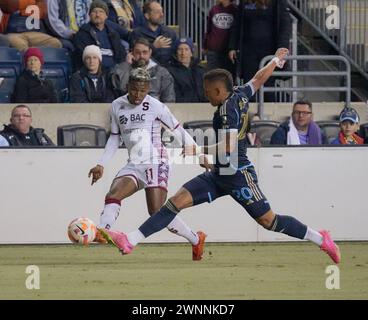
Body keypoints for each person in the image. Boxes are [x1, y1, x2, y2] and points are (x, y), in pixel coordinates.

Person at [99, 49, 341, 266]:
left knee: (269, 221)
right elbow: (258, 79)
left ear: (217, 91)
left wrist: (199, 150)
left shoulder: (226, 113)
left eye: (207, 92)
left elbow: (227, 146)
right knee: (175, 202)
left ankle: (320, 238)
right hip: (218, 172)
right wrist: (275, 61)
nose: (206, 97)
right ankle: (130, 240)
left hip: (238, 173)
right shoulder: (239, 94)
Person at [88, 67, 207, 260]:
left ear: (148, 89)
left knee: (156, 211)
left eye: (142, 91)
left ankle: (195, 239)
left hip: (156, 162)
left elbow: (177, 129)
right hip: (133, 163)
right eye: (134, 89)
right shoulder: (117, 105)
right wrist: (101, 164)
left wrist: (199, 154)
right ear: (128, 86)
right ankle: (104, 232)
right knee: (113, 194)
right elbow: (115, 138)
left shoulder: (156, 106)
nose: (138, 94)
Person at [228, 0, 291, 100]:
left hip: (269, 51)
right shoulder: (245, 2)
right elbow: (237, 24)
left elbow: (284, 25)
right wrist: (232, 46)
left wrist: (282, 48)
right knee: (249, 84)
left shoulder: (278, 2)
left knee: (268, 85)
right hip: (248, 51)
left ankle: (268, 112)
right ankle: (248, 112)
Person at [111, 37, 175, 102]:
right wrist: (126, 67)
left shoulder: (162, 73)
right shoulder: (121, 70)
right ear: (132, 53)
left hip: (154, 110)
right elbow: (118, 94)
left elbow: (169, 99)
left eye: (145, 52)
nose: (141, 56)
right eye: (137, 52)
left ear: (150, 52)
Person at [73, 0, 128, 69]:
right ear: (90, 15)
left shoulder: (113, 34)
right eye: (94, 12)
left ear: (106, 16)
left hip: (114, 72)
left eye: (101, 12)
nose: (97, 15)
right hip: (95, 72)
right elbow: (83, 59)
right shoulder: (82, 34)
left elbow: (121, 55)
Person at [130, 1, 177, 66]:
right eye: (157, 12)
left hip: (168, 71)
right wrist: (154, 47)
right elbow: (136, 57)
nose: (161, 15)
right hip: (145, 70)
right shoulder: (137, 34)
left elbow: (175, 56)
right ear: (147, 15)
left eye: (162, 11)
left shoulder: (170, 33)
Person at [166, 38, 207, 103]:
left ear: (191, 53)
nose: (183, 53)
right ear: (176, 52)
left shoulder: (200, 71)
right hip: (182, 107)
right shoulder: (170, 71)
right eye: (180, 49)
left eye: (186, 49)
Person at [203, 0, 237, 76]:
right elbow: (208, 29)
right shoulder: (214, 9)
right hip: (213, 50)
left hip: (228, 51)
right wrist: (205, 45)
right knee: (212, 76)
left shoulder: (235, 10)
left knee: (228, 77)